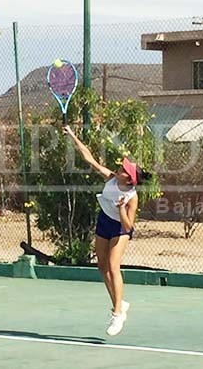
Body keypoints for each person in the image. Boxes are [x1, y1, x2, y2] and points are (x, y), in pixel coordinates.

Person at [62, 125, 152, 336]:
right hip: (104, 221)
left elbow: (129, 226)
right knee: (102, 267)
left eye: (124, 170)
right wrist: (73, 136)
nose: (120, 168)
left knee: (113, 266)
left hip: (120, 227)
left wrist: (121, 209)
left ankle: (117, 313)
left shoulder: (132, 197)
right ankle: (120, 303)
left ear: (129, 179)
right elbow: (90, 160)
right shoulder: (111, 178)